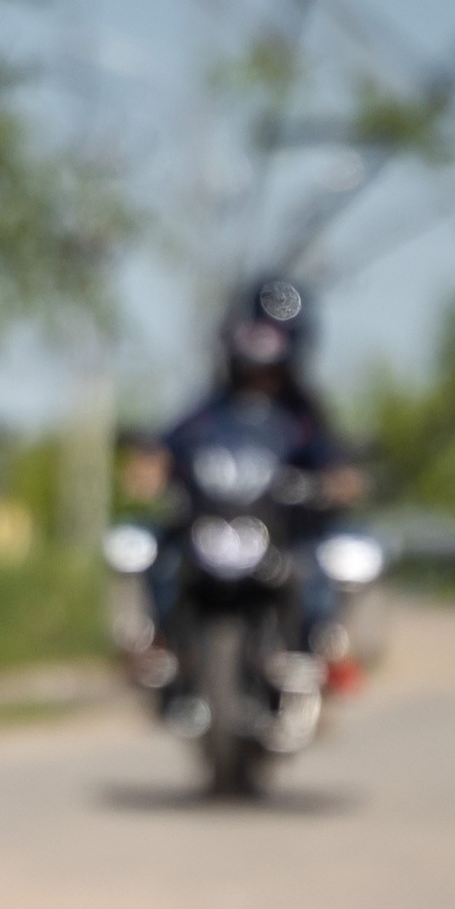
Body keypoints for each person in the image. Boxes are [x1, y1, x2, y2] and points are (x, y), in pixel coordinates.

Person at [138, 278, 366, 655]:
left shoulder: (303, 414)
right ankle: (159, 644)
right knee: (157, 554)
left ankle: (313, 651)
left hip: (280, 533)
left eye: (272, 367)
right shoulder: (212, 408)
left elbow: (334, 463)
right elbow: (166, 445)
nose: (261, 376)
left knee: (317, 564)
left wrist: (339, 482)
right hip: (210, 524)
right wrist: (152, 466)